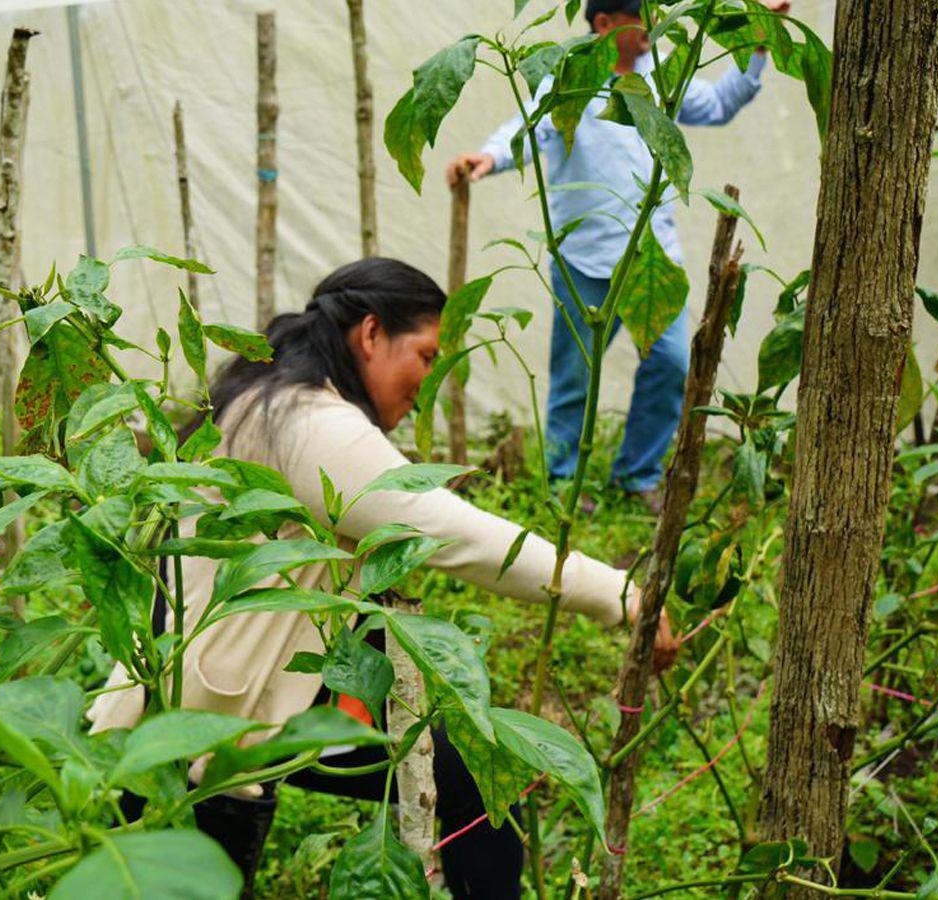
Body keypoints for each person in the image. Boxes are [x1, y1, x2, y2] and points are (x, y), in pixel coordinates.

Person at [88, 258, 677, 899]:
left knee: (469, 777)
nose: (426, 381)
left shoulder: (270, 395)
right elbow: (459, 536)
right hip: (218, 710)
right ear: (370, 335)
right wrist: (622, 596)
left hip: (222, 684)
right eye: (424, 355)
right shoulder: (313, 424)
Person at [447, 0, 789, 511]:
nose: (654, 25)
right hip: (582, 256)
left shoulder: (662, 76)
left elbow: (718, 104)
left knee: (672, 364)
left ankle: (638, 475)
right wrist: (488, 158)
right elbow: (527, 127)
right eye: (641, 15)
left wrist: (761, 41)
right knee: (573, 377)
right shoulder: (572, 77)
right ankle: (564, 483)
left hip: (653, 260)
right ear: (605, 24)